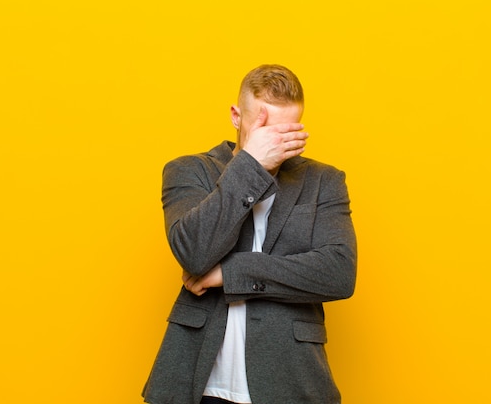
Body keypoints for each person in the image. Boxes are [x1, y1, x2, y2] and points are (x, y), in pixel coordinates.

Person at [142, 64, 357, 404]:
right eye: (265, 130)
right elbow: (194, 253)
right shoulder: (189, 170)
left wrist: (230, 273)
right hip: (196, 383)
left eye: (286, 132)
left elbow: (338, 273)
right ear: (236, 116)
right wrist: (251, 163)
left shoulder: (323, 181)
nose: (275, 142)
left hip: (290, 381)